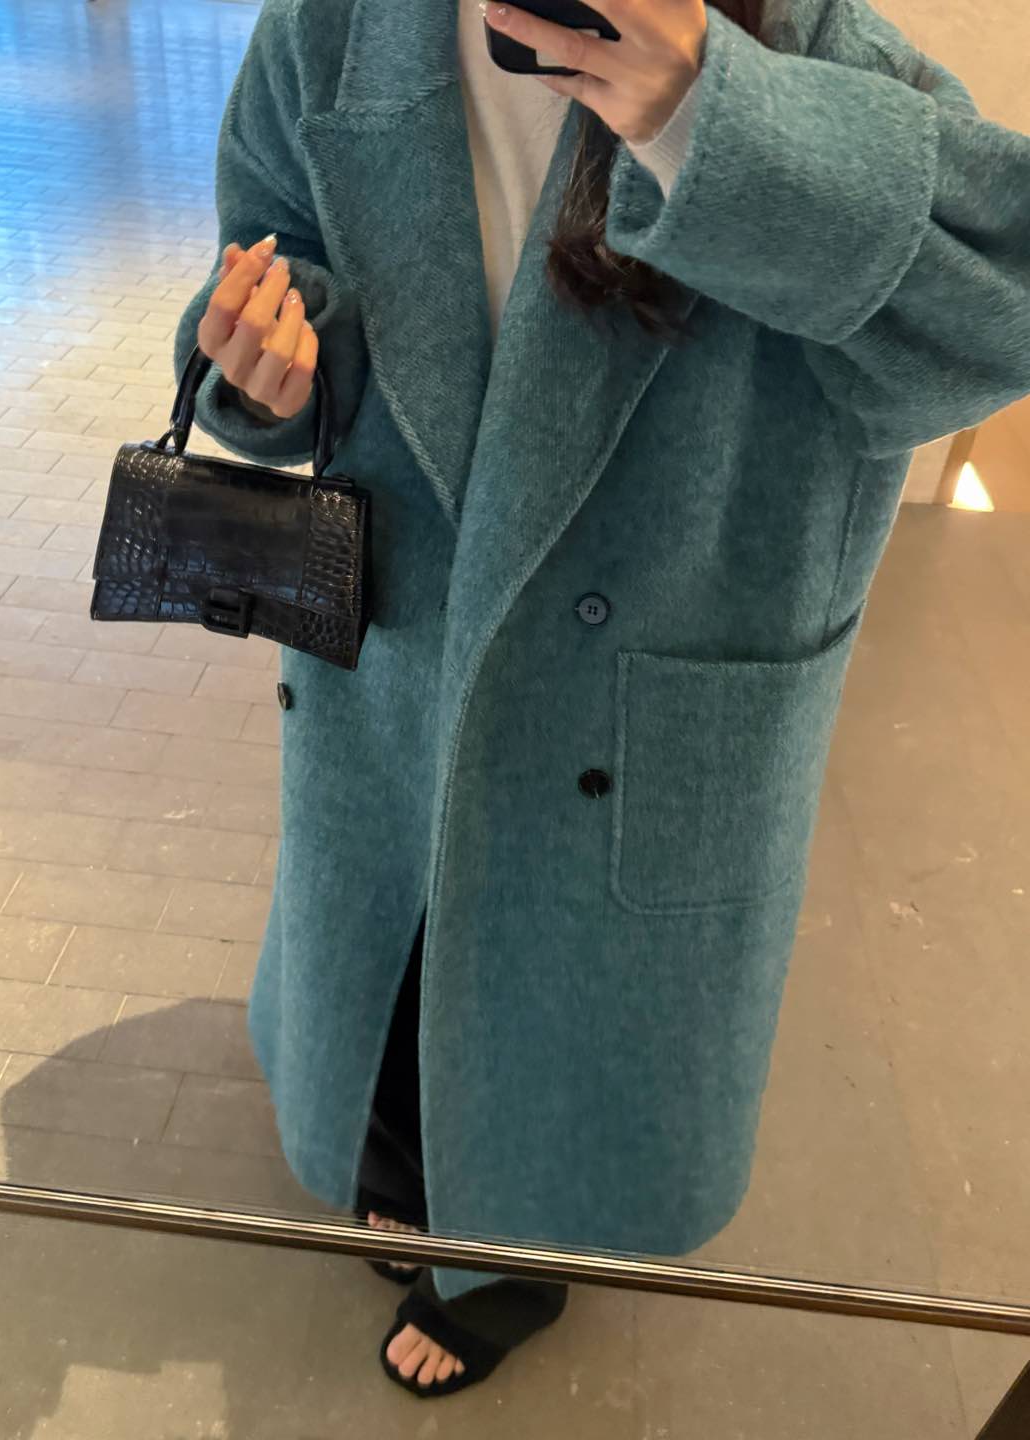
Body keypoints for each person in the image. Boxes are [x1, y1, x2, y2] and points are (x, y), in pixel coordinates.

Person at [178, 0, 1030, 1402]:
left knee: (568, 996)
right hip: (397, 634)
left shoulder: (812, 48)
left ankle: (512, 1263)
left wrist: (713, 119)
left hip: (646, 681)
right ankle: (404, 1166)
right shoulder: (336, 29)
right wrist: (259, 363)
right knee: (395, 935)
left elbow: (999, 314)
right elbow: (269, 252)